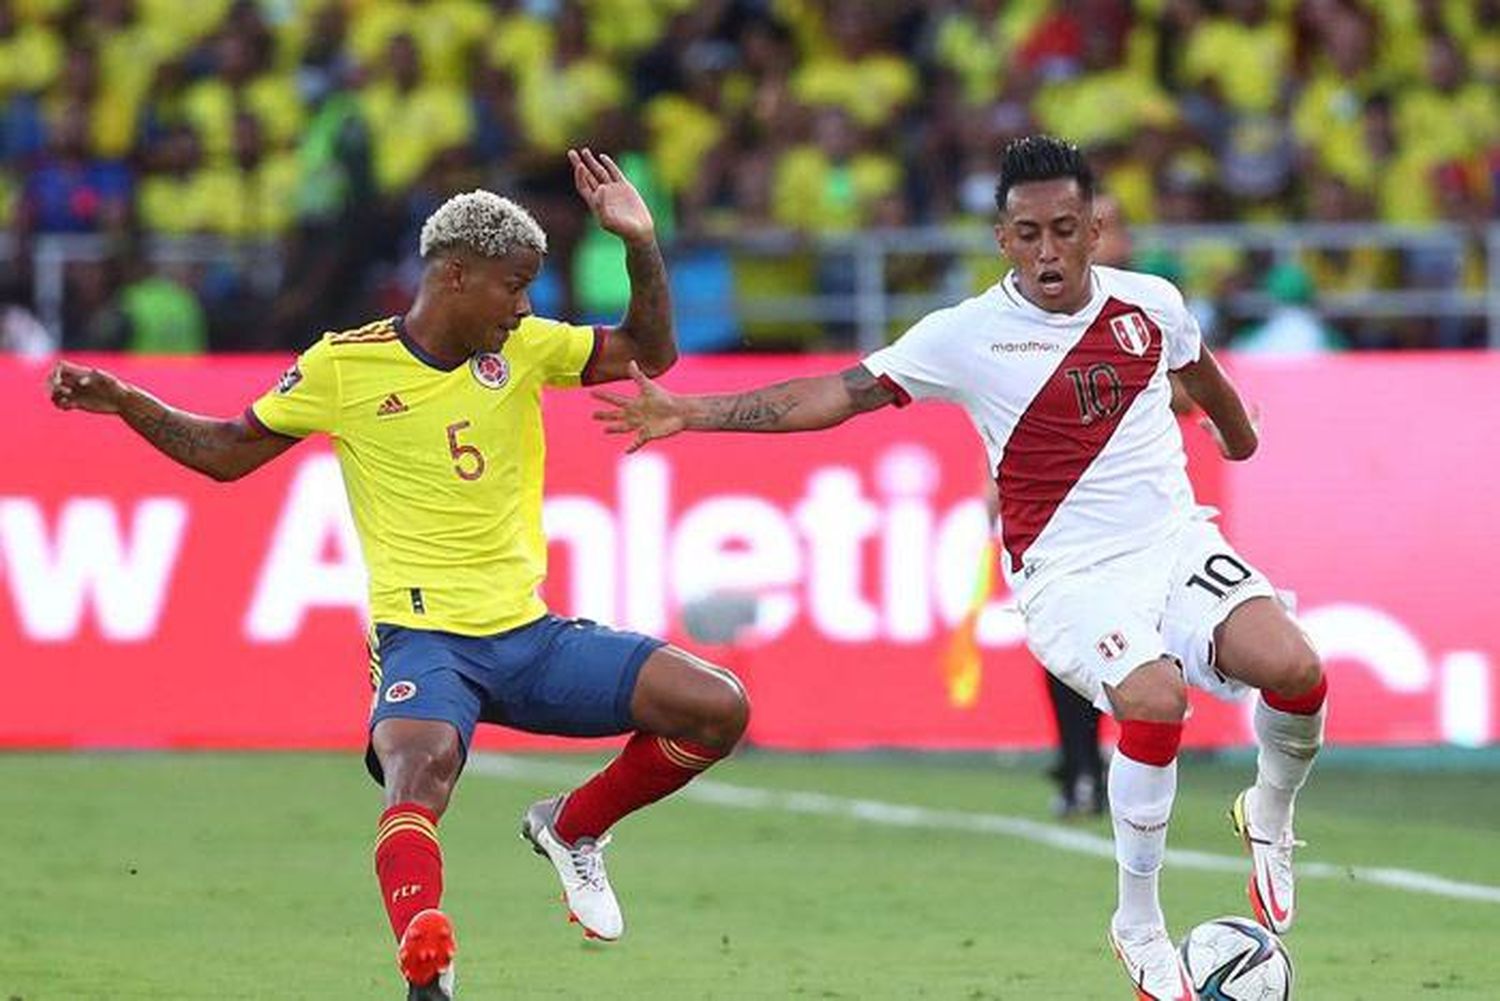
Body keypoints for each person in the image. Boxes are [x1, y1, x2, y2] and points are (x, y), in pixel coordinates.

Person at [592, 136, 1326, 1000]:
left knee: (1299, 670)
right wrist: (695, 411)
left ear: (1096, 229)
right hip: (1069, 572)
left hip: (1174, 540)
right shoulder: (967, 335)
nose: (1047, 251)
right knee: (1154, 701)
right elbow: (838, 393)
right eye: (1027, 234)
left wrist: (1240, 437)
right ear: (1002, 240)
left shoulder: (1151, 304)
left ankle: (1268, 814)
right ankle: (1137, 921)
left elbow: (1201, 374)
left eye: (1064, 229)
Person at [47, 149, 751, 1001]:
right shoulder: (345, 365)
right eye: (513, 284)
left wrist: (640, 241)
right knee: (421, 773)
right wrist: (128, 399)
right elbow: (225, 454)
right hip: (426, 644)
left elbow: (651, 353)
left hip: (529, 635)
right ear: (455, 276)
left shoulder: (525, 347)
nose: (527, 303)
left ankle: (574, 826)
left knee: (718, 707)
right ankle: (428, 959)